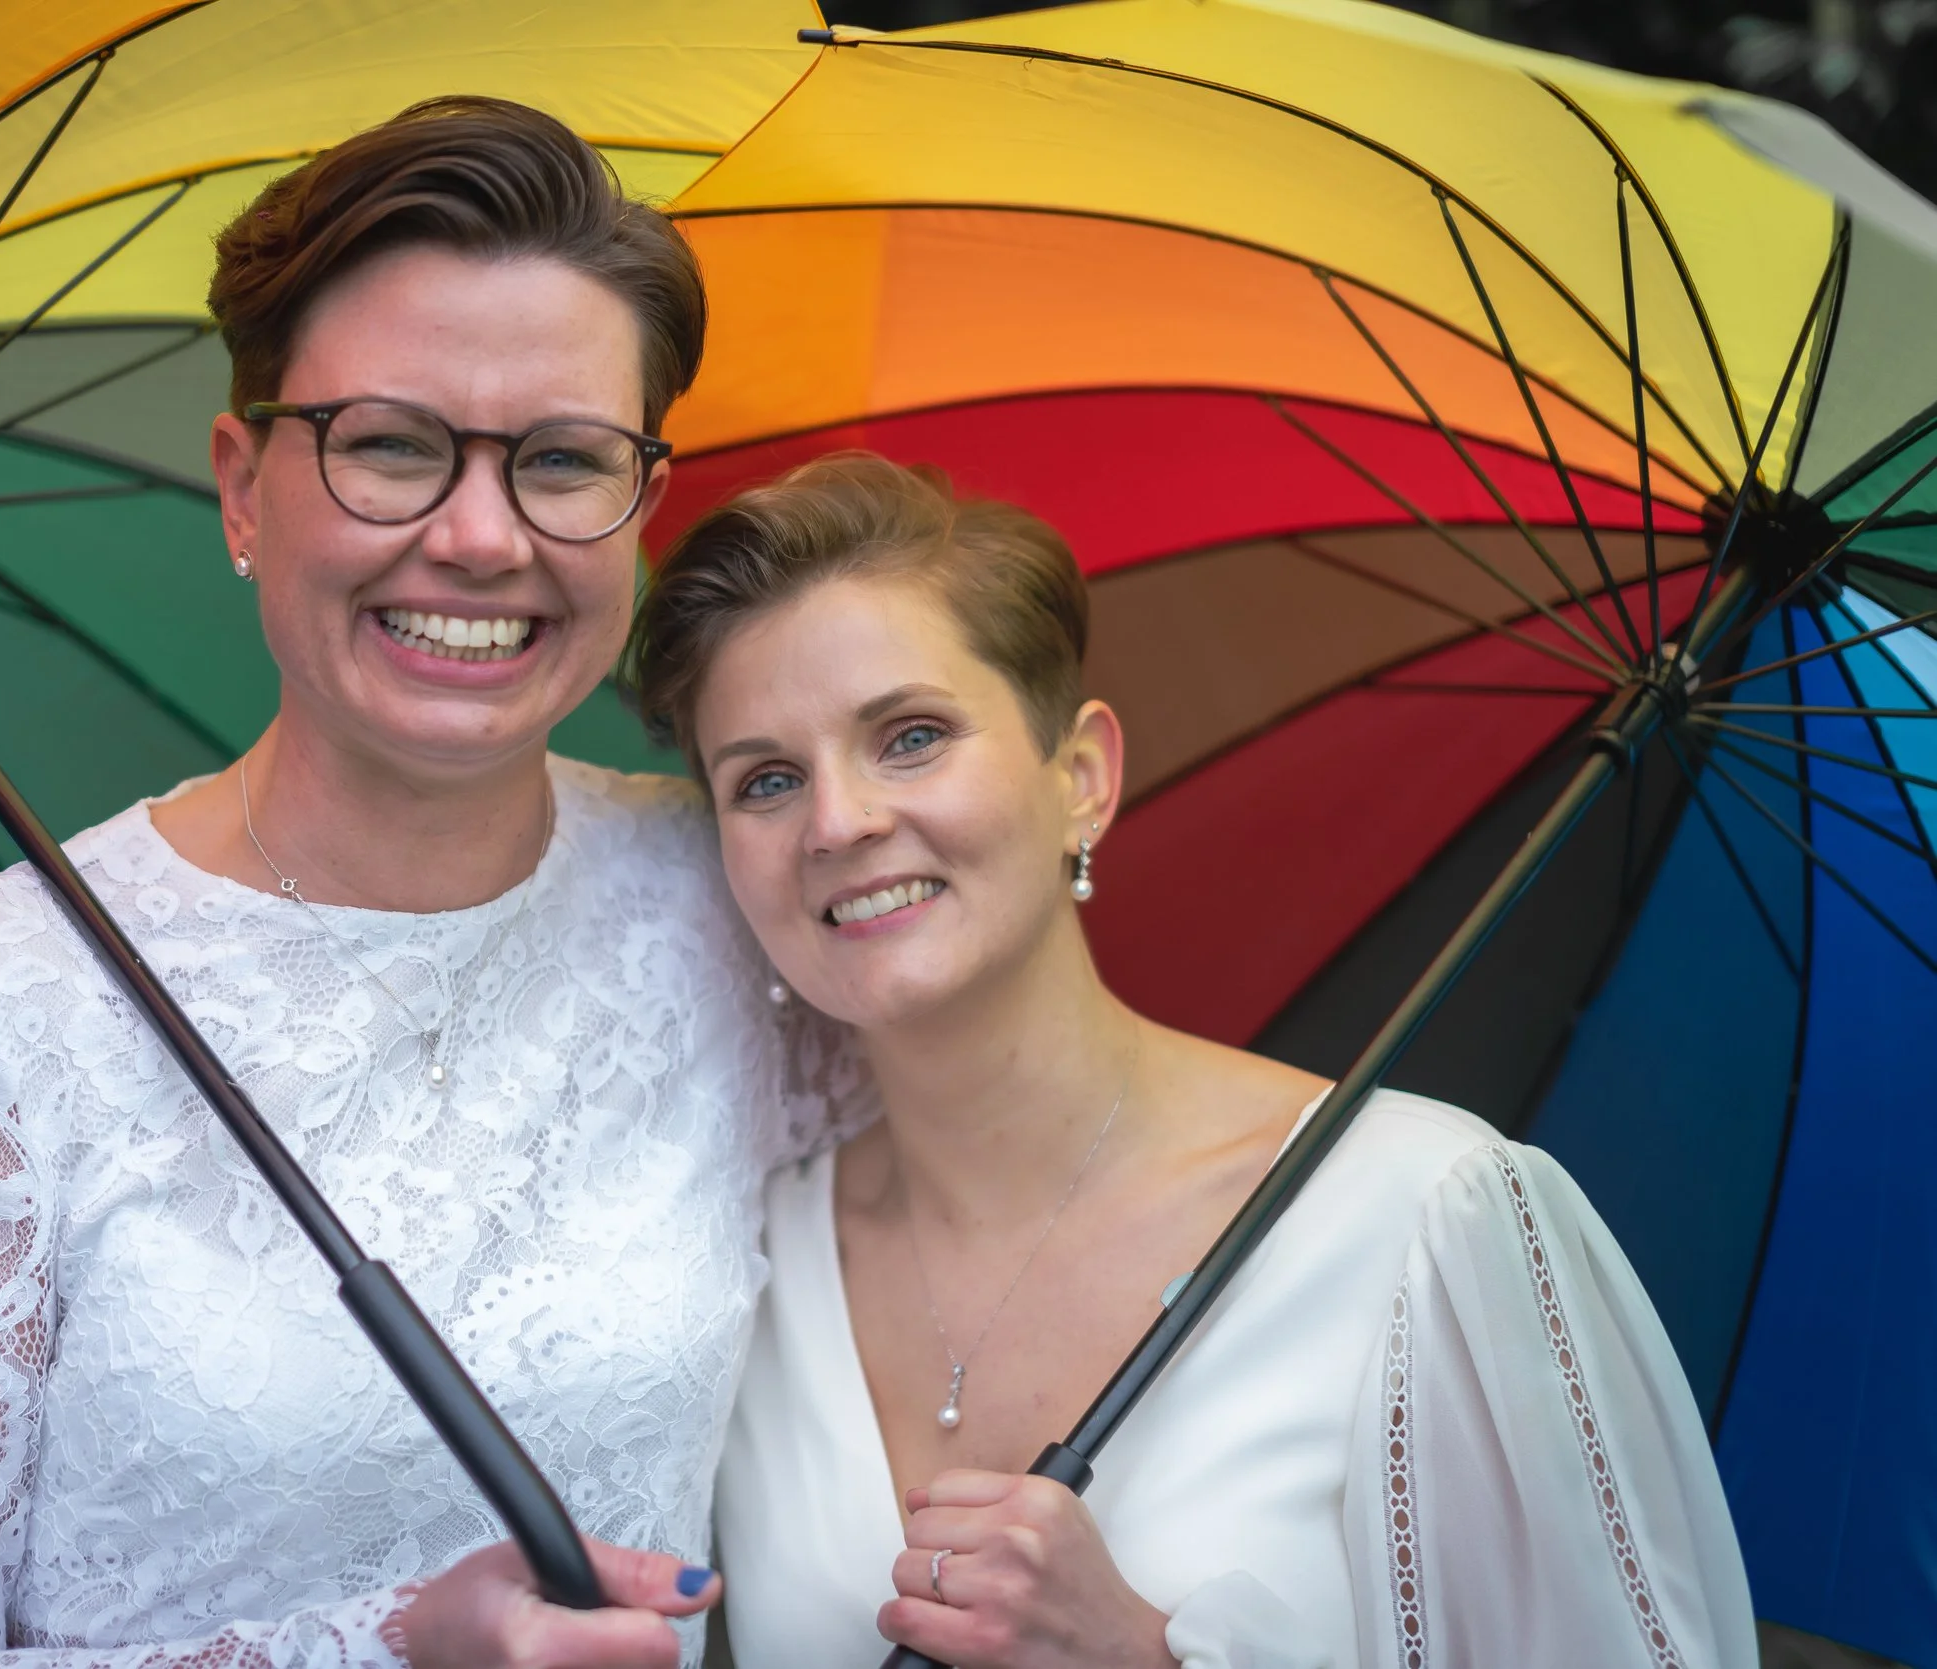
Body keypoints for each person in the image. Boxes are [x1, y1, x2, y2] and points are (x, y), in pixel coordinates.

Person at [0, 99, 863, 1669]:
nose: (482, 538)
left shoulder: (730, 893)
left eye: (562, 461)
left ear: (640, 504)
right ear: (241, 484)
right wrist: (382, 1654)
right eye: (393, 446)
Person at [626, 455, 1757, 1669]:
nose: (837, 821)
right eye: (767, 780)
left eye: (909, 736)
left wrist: (1138, 1656)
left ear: (1081, 779)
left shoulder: (1418, 1217)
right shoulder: (754, 1268)